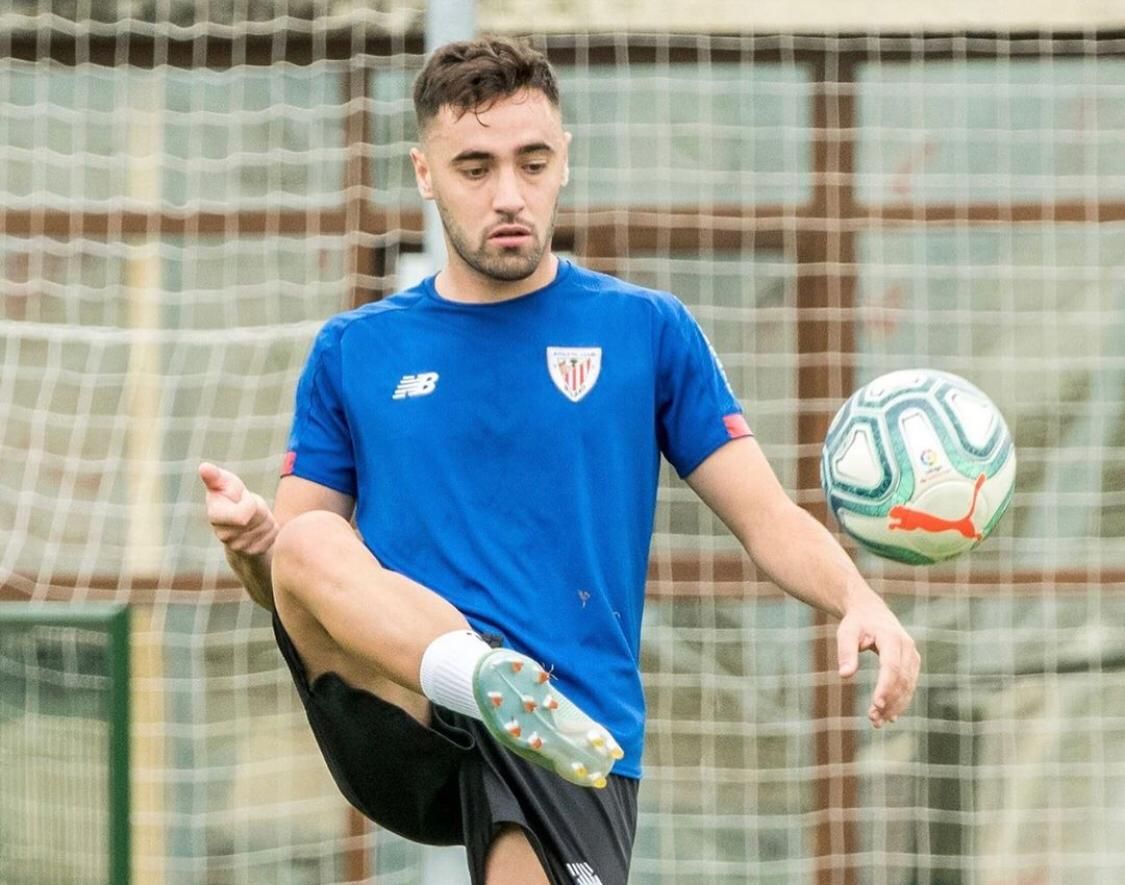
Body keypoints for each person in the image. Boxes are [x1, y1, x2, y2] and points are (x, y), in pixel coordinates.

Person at [200, 36, 920, 885]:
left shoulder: (645, 331)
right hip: (408, 698)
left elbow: (766, 518)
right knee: (306, 541)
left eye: (531, 162)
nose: (509, 194)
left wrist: (857, 593)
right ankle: (482, 676)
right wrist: (253, 548)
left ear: (564, 162)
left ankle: (511, 696)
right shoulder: (355, 349)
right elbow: (298, 593)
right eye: (474, 167)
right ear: (424, 173)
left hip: (566, 718)